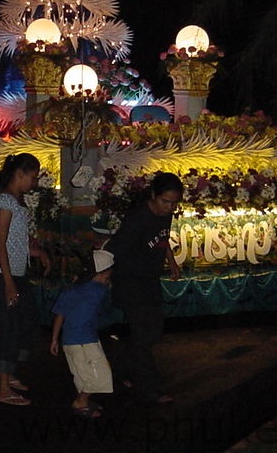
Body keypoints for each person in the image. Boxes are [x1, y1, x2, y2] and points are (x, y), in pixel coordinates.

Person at [104, 171, 184, 406]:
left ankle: (119, 371)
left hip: (149, 279)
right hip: (130, 281)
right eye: (165, 202)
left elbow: (163, 237)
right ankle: (149, 388)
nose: (169, 207)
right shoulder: (138, 218)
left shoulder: (163, 215)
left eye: (173, 203)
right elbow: (117, 248)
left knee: (153, 331)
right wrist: (104, 275)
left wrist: (171, 261)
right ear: (153, 195)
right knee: (143, 334)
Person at [0, 152, 41, 406]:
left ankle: (5, 371)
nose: (34, 182)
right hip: (0, 275)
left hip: (13, 274)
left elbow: (14, 241)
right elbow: (0, 243)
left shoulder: (14, 201)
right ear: (20, 174)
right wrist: (8, 283)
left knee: (29, 321)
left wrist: (36, 252)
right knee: (10, 328)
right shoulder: (5, 202)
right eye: (33, 177)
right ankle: (2, 388)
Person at [50, 249, 115, 418]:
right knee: (100, 374)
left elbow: (60, 314)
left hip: (69, 341)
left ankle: (84, 400)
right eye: (108, 277)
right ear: (101, 275)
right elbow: (106, 310)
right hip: (85, 341)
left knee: (81, 374)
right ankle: (80, 402)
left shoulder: (71, 290)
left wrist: (54, 339)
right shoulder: (99, 291)